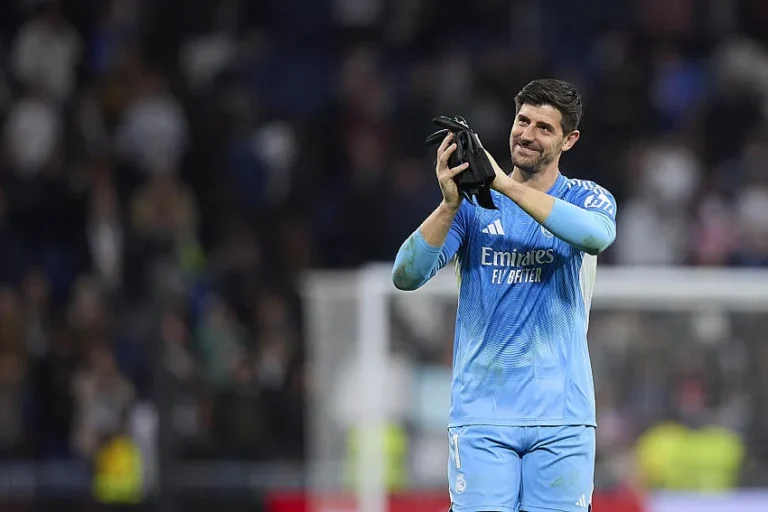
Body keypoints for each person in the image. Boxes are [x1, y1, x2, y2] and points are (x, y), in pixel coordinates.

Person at [392, 79, 617, 512]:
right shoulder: (470, 208)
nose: (527, 134)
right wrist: (448, 205)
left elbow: (596, 236)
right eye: (522, 121)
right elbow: (406, 275)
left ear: (569, 140)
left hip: (562, 416)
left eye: (544, 128)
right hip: (482, 414)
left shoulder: (586, 197)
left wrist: (502, 184)